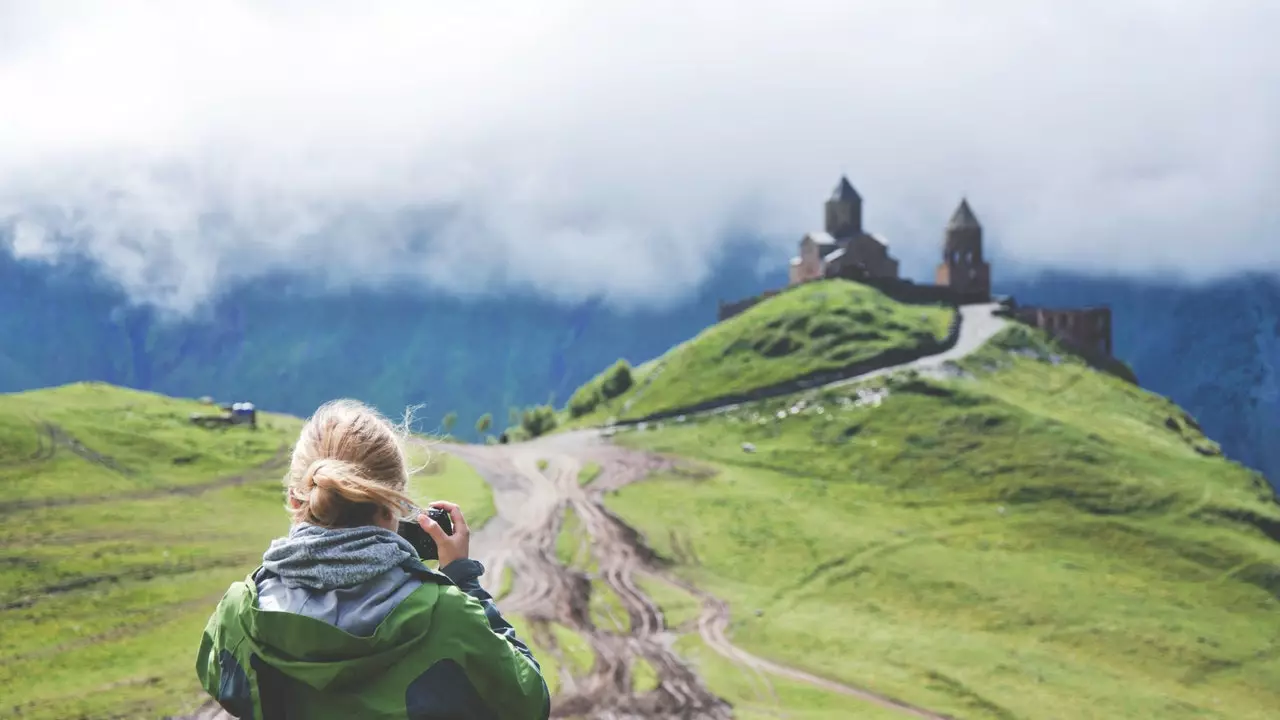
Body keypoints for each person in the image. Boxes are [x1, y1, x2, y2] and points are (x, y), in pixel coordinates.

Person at [195, 399, 549, 719]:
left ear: (295, 500)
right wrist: (463, 581)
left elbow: (225, 688)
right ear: (393, 504)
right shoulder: (448, 615)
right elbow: (529, 702)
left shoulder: (238, 615)